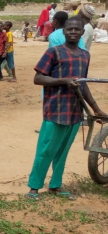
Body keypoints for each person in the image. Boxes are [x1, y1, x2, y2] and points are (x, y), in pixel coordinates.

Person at [26, 17, 107, 201]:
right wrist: (63, 81)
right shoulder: (54, 52)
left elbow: (83, 85)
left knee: (63, 152)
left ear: (82, 32)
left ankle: (55, 185)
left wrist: (95, 109)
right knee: (46, 150)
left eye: (76, 29)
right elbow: (38, 78)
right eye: (69, 29)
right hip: (55, 110)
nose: (73, 32)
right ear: (64, 31)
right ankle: (34, 187)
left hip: (75, 111)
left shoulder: (85, 55)